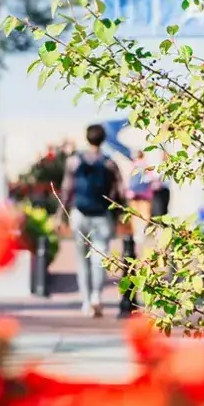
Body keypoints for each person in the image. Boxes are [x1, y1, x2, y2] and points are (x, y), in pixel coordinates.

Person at [59, 123, 126, 318]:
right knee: (100, 258)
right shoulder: (109, 162)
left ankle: (86, 301)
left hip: (80, 214)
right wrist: (120, 213)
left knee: (82, 260)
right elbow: (120, 190)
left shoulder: (74, 161)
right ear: (103, 139)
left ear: (87, 138)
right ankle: (97, 296)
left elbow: (66, 189)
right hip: (102, 216)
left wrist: (60, 214)